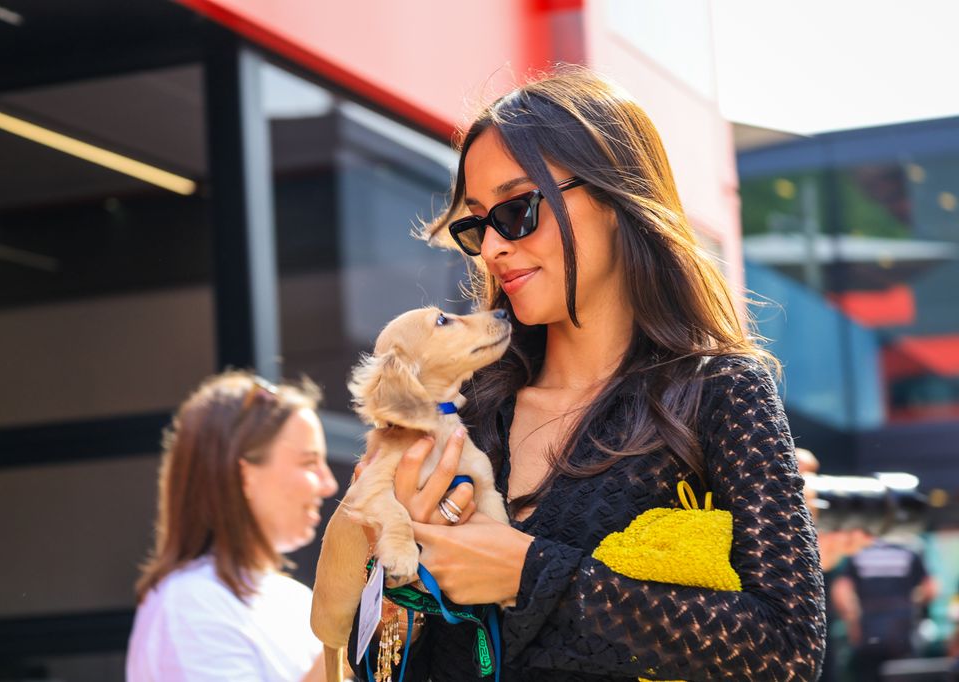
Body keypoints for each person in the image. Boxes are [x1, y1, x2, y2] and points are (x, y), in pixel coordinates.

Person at [347, 66, 825, 681]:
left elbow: (787, 649)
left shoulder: (717, 393)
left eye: (518, 210)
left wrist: (530, 575)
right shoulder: (464, 408)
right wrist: (392, 591)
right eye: (476, 224)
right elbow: (378, 664)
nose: (493, 246)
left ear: (612, 196)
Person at [126, 372, 339, 682]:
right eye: (309, 463)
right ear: (245, 475)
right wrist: (346, 639)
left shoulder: (294, 598)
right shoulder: (190, 602)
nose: (328, 484)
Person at [832, 529, 937, 680]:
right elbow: (931, 589)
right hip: (902, 633)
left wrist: (852, 622)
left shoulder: (859, 550)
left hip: (868, 633)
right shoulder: (909, 548)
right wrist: (911, 603)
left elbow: (841, 592)